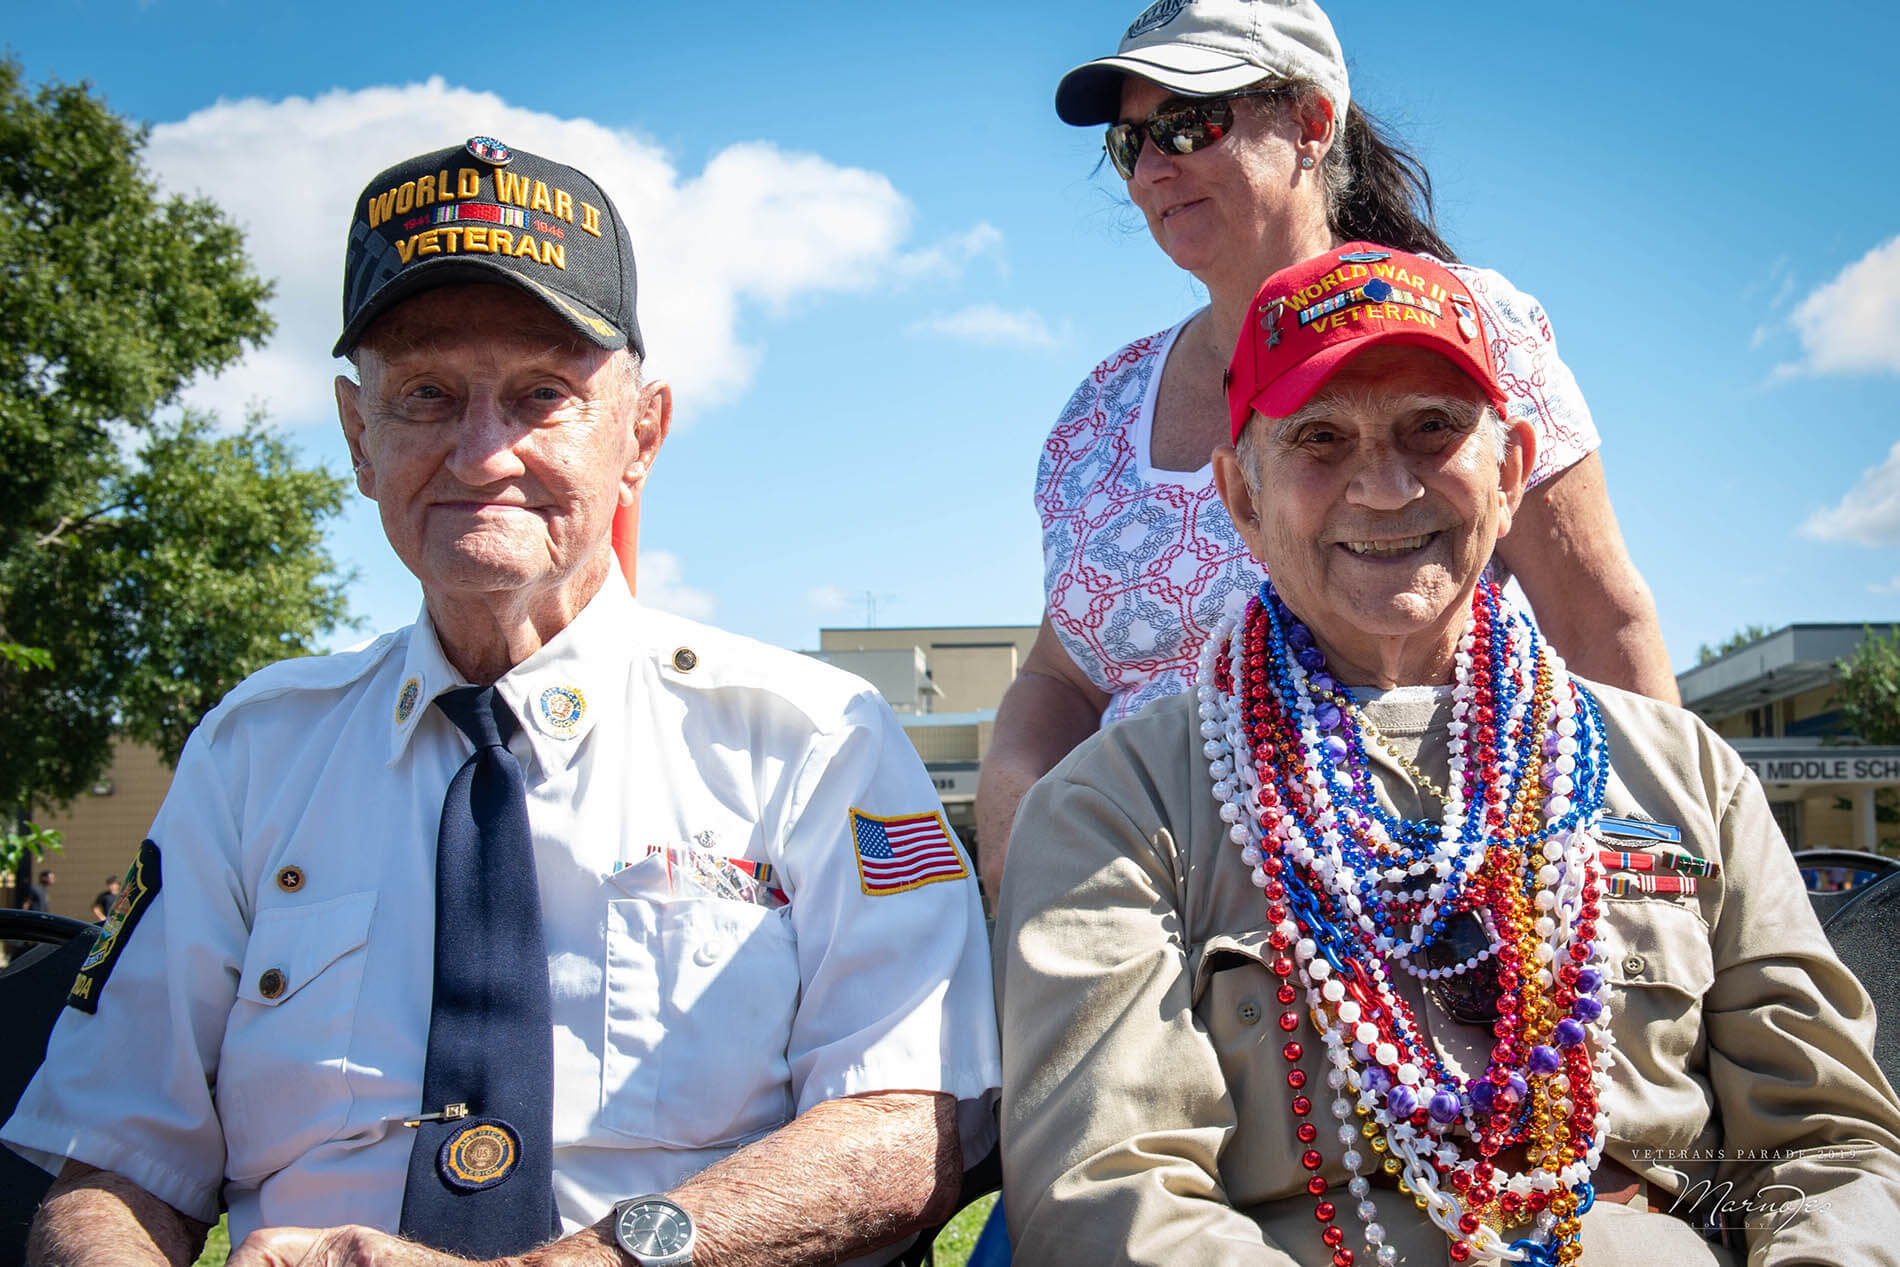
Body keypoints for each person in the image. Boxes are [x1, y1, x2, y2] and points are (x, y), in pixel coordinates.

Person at [4, 138, 1000, 1267]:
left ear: (643, 432)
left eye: (543, 395)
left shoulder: (808, 742)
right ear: (355, 434)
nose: (481, 454)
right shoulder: (254, 753)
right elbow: (118, 1162)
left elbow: (902, 1132)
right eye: (425, 394)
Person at [992, 244, 1900, 1266]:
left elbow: (1830, 1148)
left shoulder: (1684, 774)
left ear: (1510, 470)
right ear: (1240, 497)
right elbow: (1107, 1196)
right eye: (1320, 439)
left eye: (1432, 429)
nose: (1382, 487)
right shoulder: (1118, 808)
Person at [976, 0, 1677, 903]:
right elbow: (1063, 673)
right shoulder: (1100, 411)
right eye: (1129, 143)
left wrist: (1656, 890)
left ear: (1311, 123)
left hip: (1409, 918)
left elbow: (1598, 616)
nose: (1152, 167)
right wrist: (1012, 809)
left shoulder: (1469, 328)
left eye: (1190, 123)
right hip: (1125, 902)